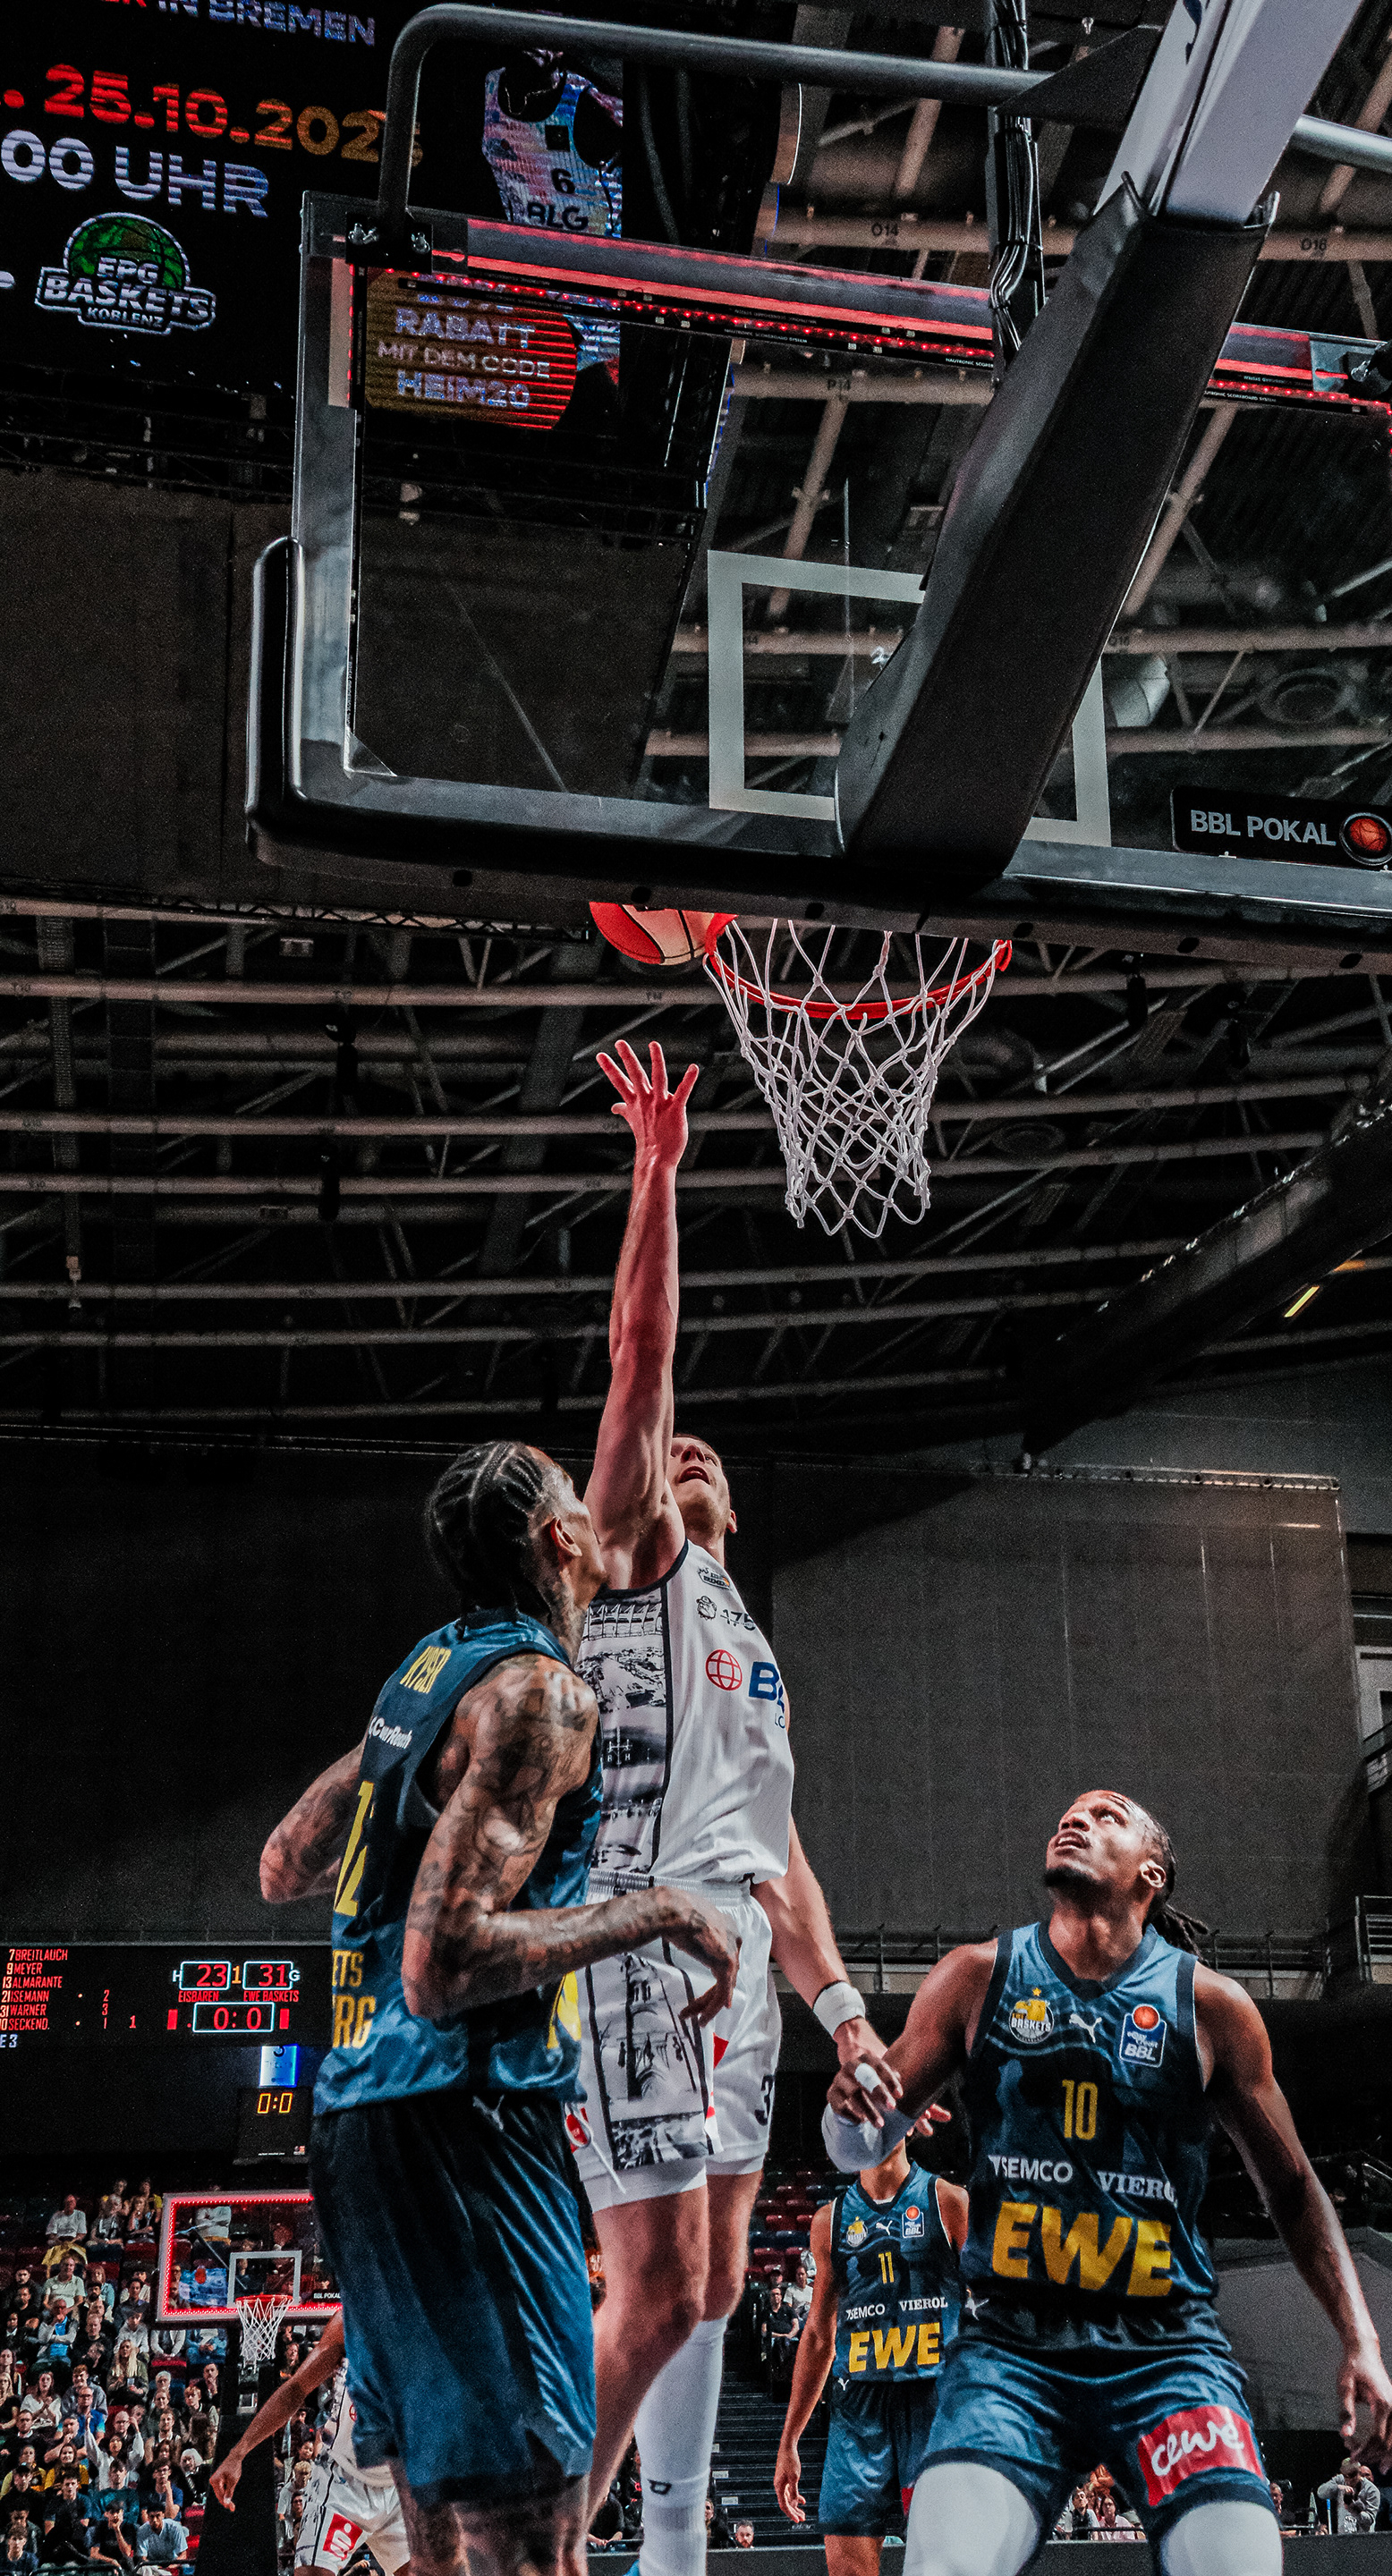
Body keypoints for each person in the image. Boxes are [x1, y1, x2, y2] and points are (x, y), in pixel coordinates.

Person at [261, 1440, 741, 2576]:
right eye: (576, 1493)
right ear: (560, 1538)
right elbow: (443, 1965)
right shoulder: (540, 1693)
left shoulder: (426, 1679)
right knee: (533, 2544)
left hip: (358, 2123)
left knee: (443, 2544)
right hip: (463, 2126)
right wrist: (651, 1910)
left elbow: (282, 1863)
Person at [570, 1042, 902, 2576]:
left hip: (746, 1970)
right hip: (645, 1943)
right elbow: (640, 1364)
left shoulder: (754, 1653)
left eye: (712, 1459)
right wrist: (657, 1171)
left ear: (739, 1508)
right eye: (673, 1454)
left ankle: (674, 2551)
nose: (688, 1452)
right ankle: (528, 2543)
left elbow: (785, 1862)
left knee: (707, 2290)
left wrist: (846, 2013)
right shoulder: (636, 1569)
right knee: (655, 2291)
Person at [819, 1790, 1392, 2576]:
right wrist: (845, 2111)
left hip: (1166, 2350)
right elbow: (860, 2142)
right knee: (944, 2565)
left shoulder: (1211, 2006)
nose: (1075, 1820)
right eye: (1070, 1813)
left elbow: (1294, 2191)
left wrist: (1361, 2340)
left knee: (1240, 2566)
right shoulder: (976, 1976)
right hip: (1011, 2352)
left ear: (1150, 1873)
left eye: (1107, 1815)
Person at [776, 2143, 968, 2572]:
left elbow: (994, 2306)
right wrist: (790, 2440)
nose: (876, 2121)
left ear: (911, 2122)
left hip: (934, 2401)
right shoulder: (830, 2221)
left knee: (946, 2562)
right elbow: (818, 2337)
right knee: (845, 2565)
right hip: (858, 2408)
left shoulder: (949, 2202)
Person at [208, 2309, 405, 2576]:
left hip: (402, 2487)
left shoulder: (440, 2330)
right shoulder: (351, 2321)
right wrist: (238, 2453)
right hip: (344, 2481)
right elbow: (296, 2389)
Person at [1313, 2464, 1379, 2536]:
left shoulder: (1371, 2490)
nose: (1349, 2482)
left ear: (1359, 2474)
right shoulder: (1341, 2480)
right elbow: (1320, 2492)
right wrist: (1337, 2487)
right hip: (1343, 2535)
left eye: (1353, 2477)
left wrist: (1354, 2509)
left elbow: (1370, 2520)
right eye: (1346, 2478)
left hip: (1363, 2536)